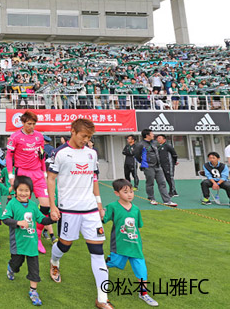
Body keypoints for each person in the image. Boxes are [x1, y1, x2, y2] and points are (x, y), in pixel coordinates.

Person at [46, 118, 113, 309]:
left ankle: (102, 299)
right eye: (84, 136)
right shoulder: (59, 153)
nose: (86, 140)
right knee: (65, 245)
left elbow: (94, 180)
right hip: (68, 210)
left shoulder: (92, 154)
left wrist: (99, 205)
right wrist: (53, 206)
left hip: (90, 209)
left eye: (89, 137)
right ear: (73, 131)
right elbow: (51, 179)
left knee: (98, 251)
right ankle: (55, 261)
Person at [102, 179, 159, 307]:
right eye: (125, 192)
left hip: (135, 247)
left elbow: (137, 227)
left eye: (131, 191)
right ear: (117, 193)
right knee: (114, 263)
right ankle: (105, 264)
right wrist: (101, 213)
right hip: (119, 246)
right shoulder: (113, 207)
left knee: (142, 271)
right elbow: (103, 219)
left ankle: (143, 293)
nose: (130, 194)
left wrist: (136, 241)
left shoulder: (136, 209)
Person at [2, 176, 55, 306]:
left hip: (32, 244)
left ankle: (33, 291)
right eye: (21, 190)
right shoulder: (12, 204)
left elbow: (42, 219)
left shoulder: (32, 205)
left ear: (30, 192)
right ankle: (11, 267)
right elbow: (5, 219)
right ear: (15, 190)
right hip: (18, 244)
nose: (23, 193)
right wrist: (18, 222)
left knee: (34, 270)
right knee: (16, 265)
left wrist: (53, 219)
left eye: (27, 190)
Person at [6, 111, 54, 254]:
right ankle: (19, 237)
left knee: (46, 205)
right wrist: (10, 174)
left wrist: (44, 172)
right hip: (23, 173)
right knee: (21, 208)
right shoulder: (15, 137)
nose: (31, 127)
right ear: (23, 122)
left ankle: (37, 237)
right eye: (29, 124)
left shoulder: (39, 136)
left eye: (33, 124)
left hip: (38, 173)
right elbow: (9, 156)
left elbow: (41, 155)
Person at [134, 129, 177, 207]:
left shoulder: (154, 143)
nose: (153, 135)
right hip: (148, 167)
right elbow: (136, 155)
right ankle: (151, 198)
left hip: (158, 166)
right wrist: (143, 162)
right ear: (147, 135)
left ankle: (167, 201)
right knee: (150, 183)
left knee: (162, 183)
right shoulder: (140, 144)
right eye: (152, 134)